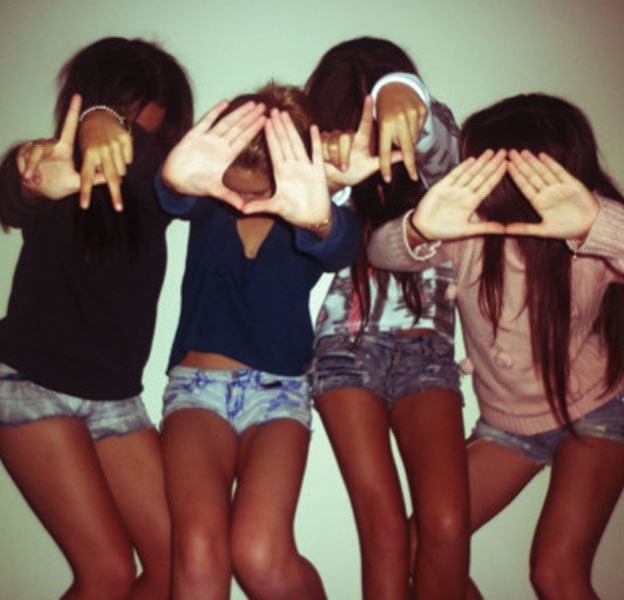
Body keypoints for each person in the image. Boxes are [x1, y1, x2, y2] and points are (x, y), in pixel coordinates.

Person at [367, 93, 624, 600]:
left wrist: (597, 222)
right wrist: (419, 227)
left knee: (556, 573)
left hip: (597, 409)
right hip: (509, 425)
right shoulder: (468, 233)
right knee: (417, 550)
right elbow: (382, 252)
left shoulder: (592, 236)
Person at [0, 37, 193, 600]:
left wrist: (110, 121)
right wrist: (40, 171)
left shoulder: (155, 197)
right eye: (130, 112)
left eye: (152, 126)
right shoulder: (52, 165)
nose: (138, 135)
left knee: (180, 566)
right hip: (33, 388)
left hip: (115, 400)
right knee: (108, 573)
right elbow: (16, 196)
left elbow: (160, 172)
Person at [155, 83, 361, 600]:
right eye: (236, 188)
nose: (244, 204)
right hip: (196, 390)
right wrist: (175, 179)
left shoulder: (311, 210)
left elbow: (340, 246)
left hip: (279, 394)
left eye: (257, 191)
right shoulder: (208, 201)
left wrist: (319, 213)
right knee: (197, 552)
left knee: (260, 553)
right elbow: (171, 196)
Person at [305, 37, 466, 599]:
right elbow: (305, 227)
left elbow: (441, 146)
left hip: (427, 349)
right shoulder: (322, 159)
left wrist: (401, 92)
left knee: (447, 526)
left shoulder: (436, 148)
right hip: (344, 349)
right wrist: (332, 168)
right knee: (387, 534)